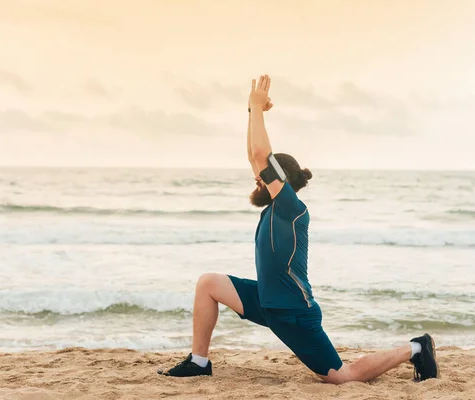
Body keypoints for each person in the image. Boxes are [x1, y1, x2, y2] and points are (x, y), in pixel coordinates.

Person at [158, 75, 439, 384]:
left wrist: (256, 107)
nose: (257, 178)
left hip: (293, 312)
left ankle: (415, 348)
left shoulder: (291, 207)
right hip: (267, 302)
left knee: (342, 377)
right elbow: (254, 155)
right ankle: (199, 362)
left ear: (281, 181)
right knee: (208, 283)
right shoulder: (276, 206)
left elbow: (258, 155)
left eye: (263, 176)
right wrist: (253, 114)